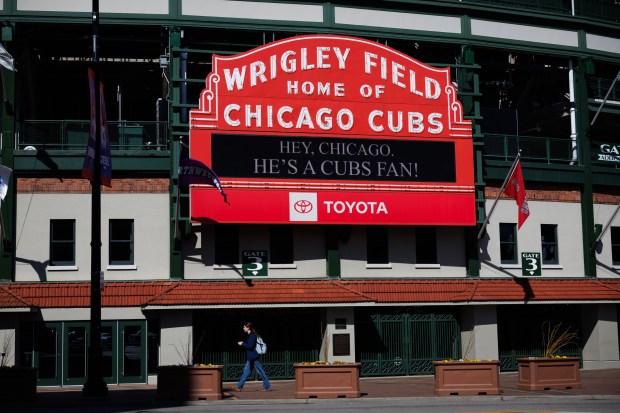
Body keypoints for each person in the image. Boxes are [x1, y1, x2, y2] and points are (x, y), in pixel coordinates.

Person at [232, 321, 271, 391]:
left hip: (253, 357)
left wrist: (242, 343)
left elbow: (250, 346)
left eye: (244, 327)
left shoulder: (252, 335)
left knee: (260, 371)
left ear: (248, 327)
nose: (243, 328)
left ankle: (267, 386)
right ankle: (239, 386)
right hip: (251, 357)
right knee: (246, 372)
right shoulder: (250, 335)